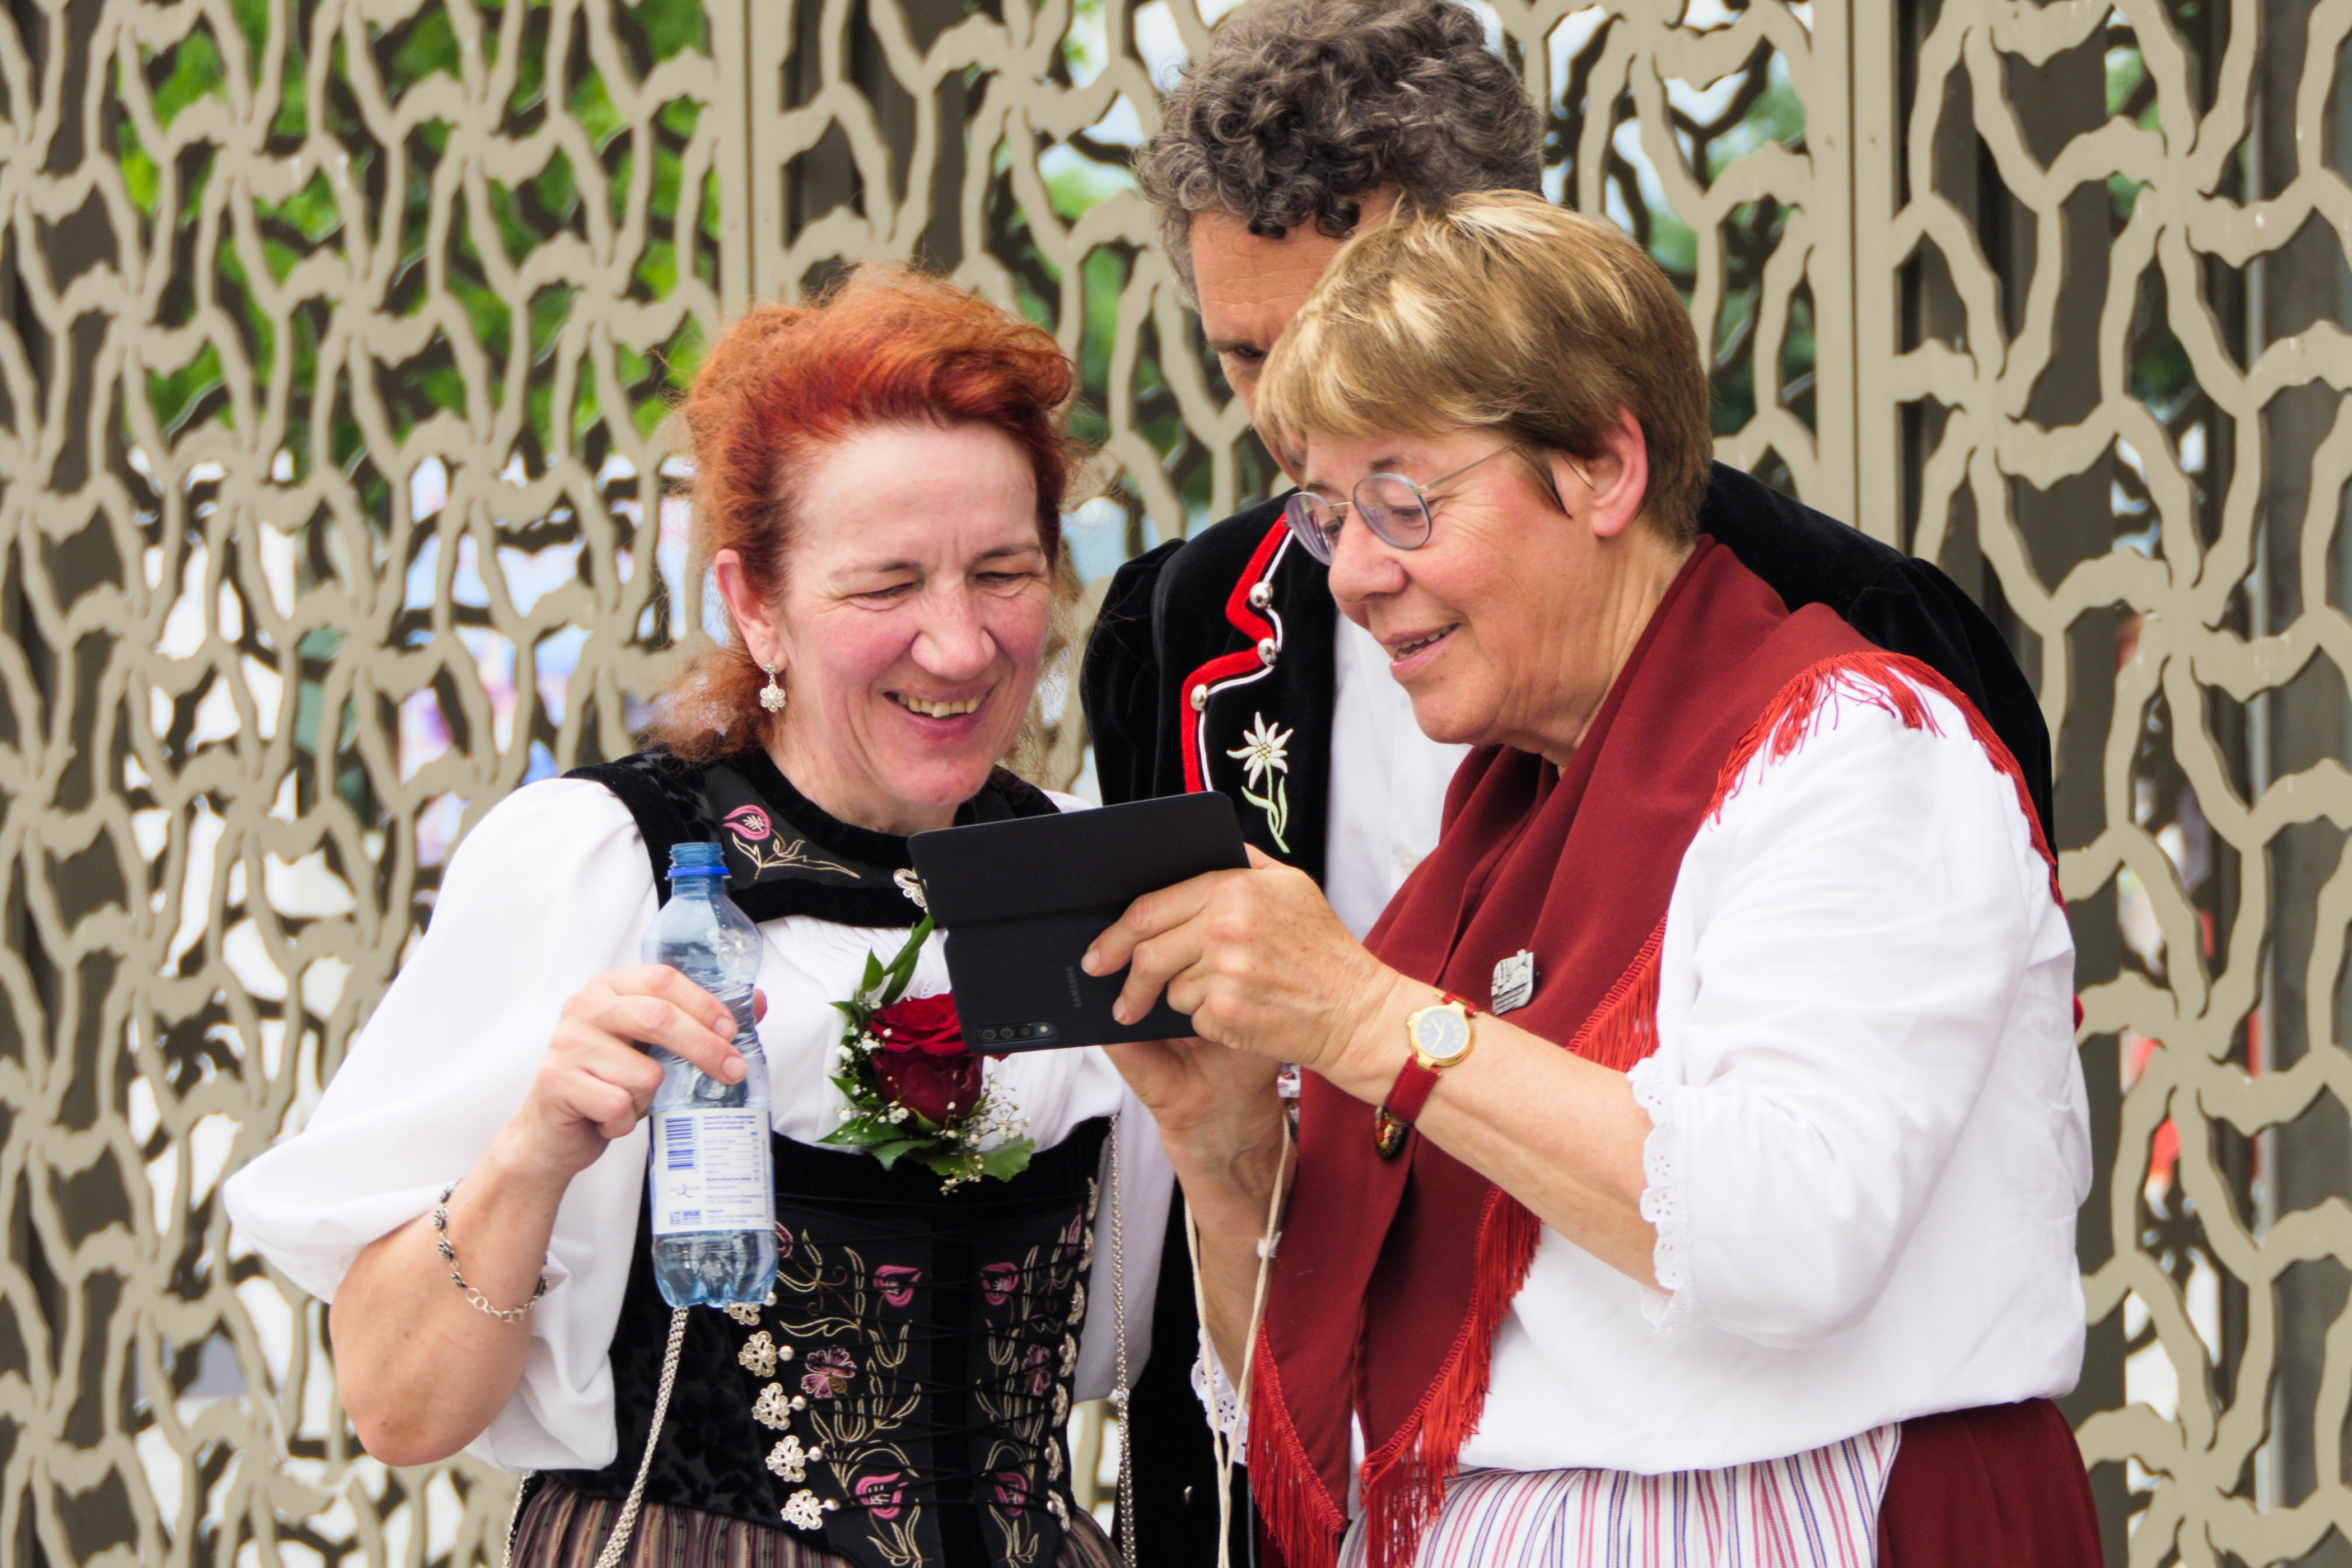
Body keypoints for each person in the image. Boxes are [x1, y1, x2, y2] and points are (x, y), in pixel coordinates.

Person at [1080, 2, 2054, 1554]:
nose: (1344, 579)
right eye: (1329, 515)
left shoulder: (1859, 730)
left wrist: (1358, 1014)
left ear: (1604, 466)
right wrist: (1225, 1145)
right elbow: (1309, 1361)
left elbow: (1792, 1232)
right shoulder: (1498, 810)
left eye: (1403, 494)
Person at [223, 269, 1173, 1568]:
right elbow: (395, 1406)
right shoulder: (602, 865)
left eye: (1002, 572)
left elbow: (1175, 1342)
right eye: (887, 584)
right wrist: (534, 1151)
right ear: (755, 602)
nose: (957, 646)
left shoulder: (1089, 873)